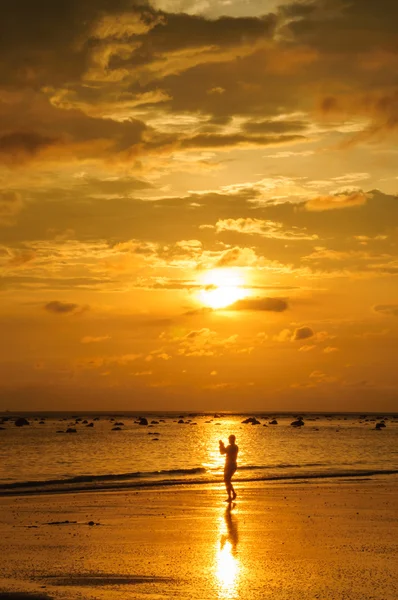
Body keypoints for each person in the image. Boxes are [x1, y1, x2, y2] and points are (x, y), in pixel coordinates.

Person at [219, 435, 238, 502]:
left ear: (233, 440)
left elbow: (224, 452)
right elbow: (222, 452)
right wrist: (221, 446)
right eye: (229, 439)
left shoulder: (233, 447)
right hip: (229, 465)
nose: (229, 440)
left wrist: (222, 445)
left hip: (231, 465)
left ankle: (231, 496)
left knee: (227, 480)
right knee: (227, 480)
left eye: (230, 439)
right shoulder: (231, 447)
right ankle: (233, 494)